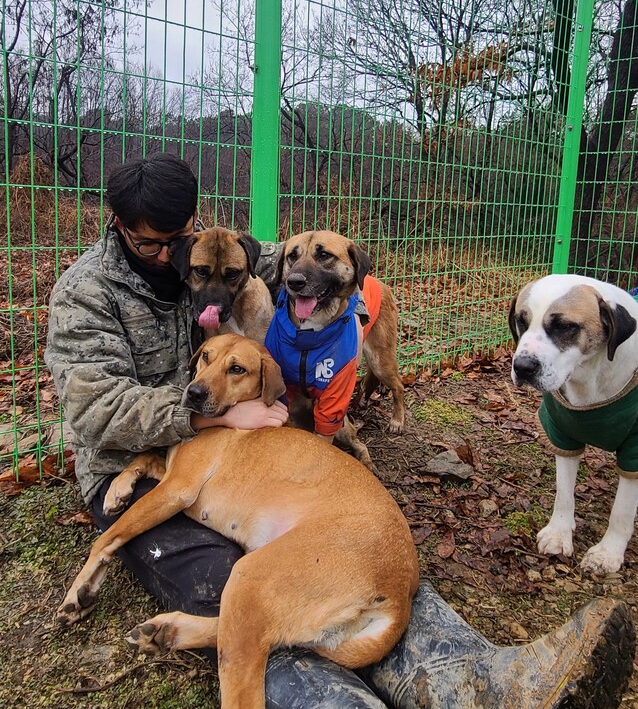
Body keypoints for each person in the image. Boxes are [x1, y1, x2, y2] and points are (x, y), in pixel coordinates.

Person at [45, 154, 635, 709]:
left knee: (363, 555)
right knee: (241, 589)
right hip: (144, 463)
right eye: (154, 243)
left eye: (182, 239)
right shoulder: (86, 292)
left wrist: (351, 296)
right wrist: (211, 413)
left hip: (243, 448)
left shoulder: (223, 253)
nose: (173, 256)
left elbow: (314, 264)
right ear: (120, 226)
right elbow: (95, 409)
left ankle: (477, 675)